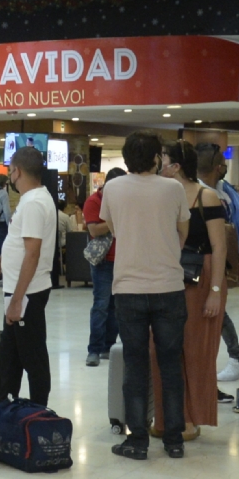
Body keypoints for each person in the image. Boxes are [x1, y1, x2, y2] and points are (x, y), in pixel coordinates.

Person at [101, 131, 190, 460]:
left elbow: (114, 229)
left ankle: (137, 439)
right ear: (157, 158)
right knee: (170, 365)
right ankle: (174, 439)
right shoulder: (174, 188)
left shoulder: (112, 188)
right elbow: (183, 230)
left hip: (129, 288)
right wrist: (166, 250)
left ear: (126, 158)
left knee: (135, 367)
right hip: (169, 286)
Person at [159, 141, 227, 436]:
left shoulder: (206, 196)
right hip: (169, 274)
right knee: (161, 346)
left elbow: (220, 247)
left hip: (202, 273)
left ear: (175, 165)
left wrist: (215, 290)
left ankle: (191, 418)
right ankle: (165, 417)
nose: (157, 163)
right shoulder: (161, 196)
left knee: (196, 349)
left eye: (162, 159)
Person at [0, 146, 57, 407]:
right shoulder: (33, 200)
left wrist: (18, 299)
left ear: (17, 171)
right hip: (20, 290)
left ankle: (38, 409)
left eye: (10, 172)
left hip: (27, 292)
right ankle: (8, 407)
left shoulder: (33, 203)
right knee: (12, 354)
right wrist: (1, 260)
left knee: (32, 355)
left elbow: (32, 253)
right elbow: (19, 242)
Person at [199, 144, 239, 382]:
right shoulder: (217, 190)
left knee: (214, 310)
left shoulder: (217, 190)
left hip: (211, 259)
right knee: (214, 310)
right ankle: (234, 357)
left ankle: (234, 358)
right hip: (211, 259)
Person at [82, 168, 126, 367]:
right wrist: (116, 217)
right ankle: (94, 349)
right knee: (100, 305)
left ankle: (109, 345)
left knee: (116, 307)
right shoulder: (93, 202)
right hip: (103, 262)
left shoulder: (126, 201)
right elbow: (94, 229)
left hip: (124, 260)